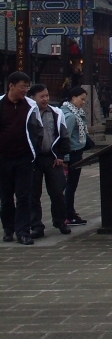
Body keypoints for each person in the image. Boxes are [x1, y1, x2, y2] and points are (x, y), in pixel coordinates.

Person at [0, 72, 43, 245]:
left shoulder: (30, 106)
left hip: (24, 158)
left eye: (27, 86)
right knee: (6, 197)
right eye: (22, 86)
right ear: (11, 85)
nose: (25, 90)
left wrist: (35, 151)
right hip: (3, 158)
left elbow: (38, 130)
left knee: (24, 196)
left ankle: (23, 231)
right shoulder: (1, 104)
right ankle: (8, 229)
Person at [29, 84, 71, 238]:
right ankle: (36, 226)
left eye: (47, 95)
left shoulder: (55, 112)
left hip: (52, 158)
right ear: (32, 98)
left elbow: (64, 136)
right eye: (42, 96)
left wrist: (61, 156)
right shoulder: (28, 114)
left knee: (57, 192)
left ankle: (60, 221)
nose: (45, 99)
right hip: (34, 159)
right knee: (33, 194)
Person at [61, 86, 90, 225]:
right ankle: (68, 214)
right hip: (72, 154)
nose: (83, 102)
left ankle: (69, 212)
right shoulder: (71, 116)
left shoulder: (77, 113)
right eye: (81, 99)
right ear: (73, 98)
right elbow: (64, 138)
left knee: (71, 186)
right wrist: (65, 158)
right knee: (70, 186)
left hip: (76, 152)